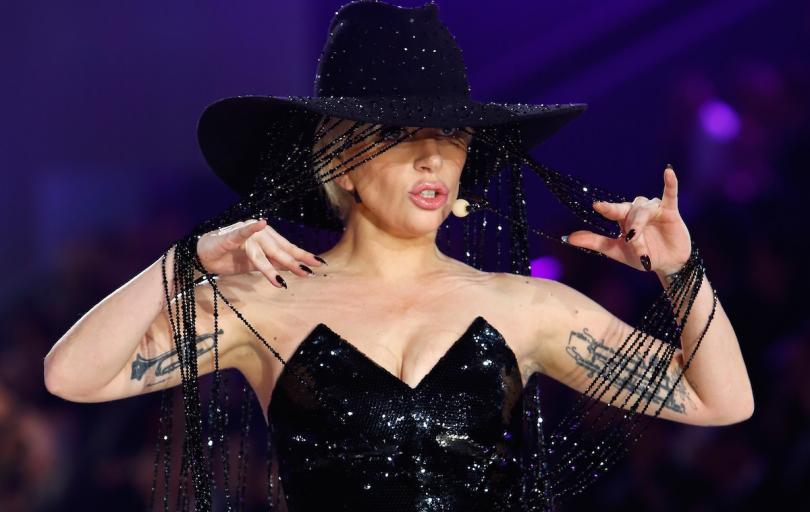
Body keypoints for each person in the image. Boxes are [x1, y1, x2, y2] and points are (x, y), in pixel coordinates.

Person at [43, 1, 754, 511]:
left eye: (451, 137)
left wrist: (680, 272)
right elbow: (72, 375)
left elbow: (721, 400)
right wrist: (183, 262)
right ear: (342, 162)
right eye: (402, 136)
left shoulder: (525, 307)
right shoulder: (261, 305)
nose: (433, 157)